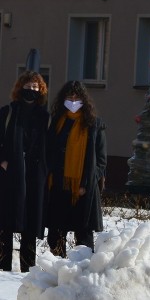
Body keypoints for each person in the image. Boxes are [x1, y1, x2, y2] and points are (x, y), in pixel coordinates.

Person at [0, 71, 49, 272]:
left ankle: (28, 269)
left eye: (35, 88)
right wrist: (2, 162)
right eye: (28, 87)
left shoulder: (44, 117)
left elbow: (51, 148)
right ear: (20, 89)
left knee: (30, 224)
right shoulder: (8, 112)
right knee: (6, 223)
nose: (31, 91)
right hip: (10, 176)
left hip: (33, 177)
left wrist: (45, 171)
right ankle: (3, 268)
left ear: (41, 91)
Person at [45, 80, 107, 256]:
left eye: (76, 96)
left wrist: (86, 184)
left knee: (83, 235)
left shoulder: (94, 124)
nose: (73, 100)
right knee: (56, 233)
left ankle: (82, 273)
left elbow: (101, 161)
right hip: (58, 185)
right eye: (69, 96)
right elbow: (49, 151)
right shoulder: (57, 122)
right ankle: (56, 271)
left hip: (83, 189)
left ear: (84, 99)